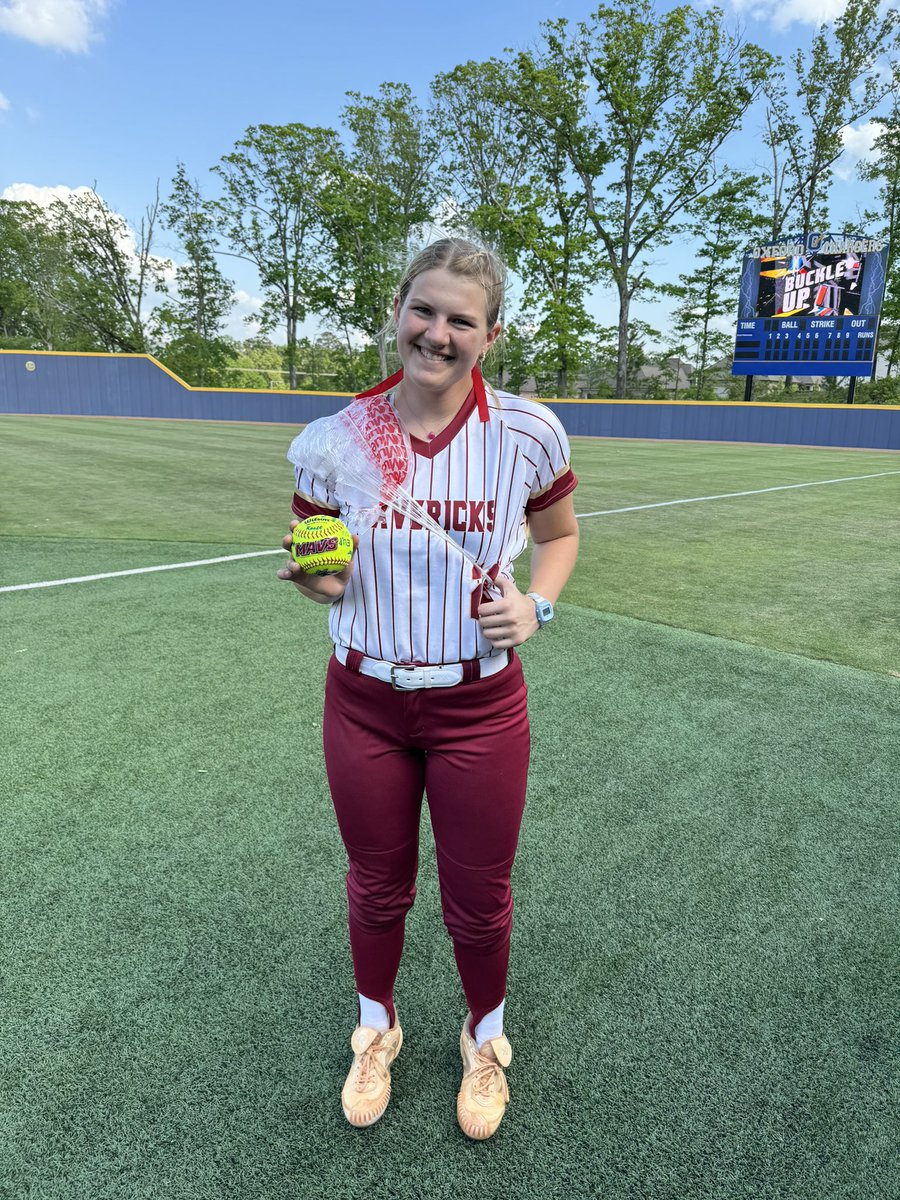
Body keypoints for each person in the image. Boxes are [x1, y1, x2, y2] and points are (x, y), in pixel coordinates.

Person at [277, 238, 578, 1140]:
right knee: (377, 885)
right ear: (398, 312)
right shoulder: (334, 441)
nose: (437, 333)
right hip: (365, 697)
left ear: (489, 334)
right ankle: (377, 1027)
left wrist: (540, 606)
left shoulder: (527, 431)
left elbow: (559, 538)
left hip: (479, 705)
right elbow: (318, 560)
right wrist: (318, 583)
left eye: (461, 319)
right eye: (424, 310)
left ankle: (485, 1039)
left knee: (478, 896)